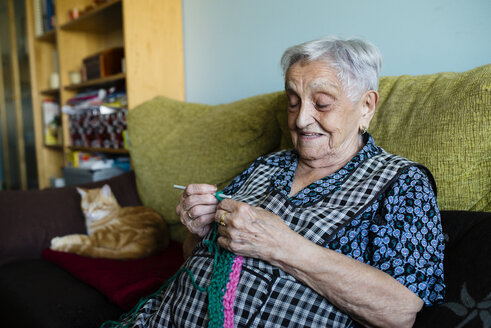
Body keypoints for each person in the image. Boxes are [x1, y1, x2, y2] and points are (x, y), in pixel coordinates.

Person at [118, 36, 445, 328]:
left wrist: (284, 247)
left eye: (322, 103)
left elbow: (400, 312)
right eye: (293, 102)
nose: (301, 119)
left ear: (366, 106)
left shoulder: (402, 183)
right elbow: (197, 259)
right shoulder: (266, 166)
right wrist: (198, 231)